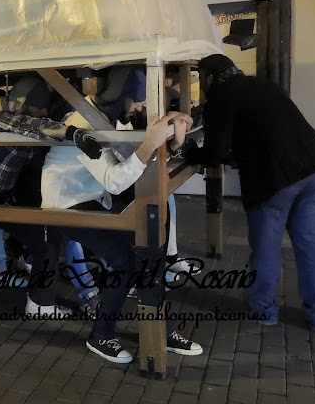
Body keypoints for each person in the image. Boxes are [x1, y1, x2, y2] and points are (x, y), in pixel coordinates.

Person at [41, 65, 203, 363]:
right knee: (125, 260)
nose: (141, 106)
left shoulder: (115, 117)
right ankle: (101, 335)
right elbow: (116, 178)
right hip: (66, 205)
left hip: (95, 198)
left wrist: (175, 143)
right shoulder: (83, 121)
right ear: (120, 95)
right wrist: (153, 143)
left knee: (150, 247)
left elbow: (133, 162)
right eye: (137, 99)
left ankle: (158, 329)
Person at [186, 54, 315, 332]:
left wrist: (188, 152)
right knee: (311, 247)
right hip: (313, 167)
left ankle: (263, 311)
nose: (201, 84)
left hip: (275, 177)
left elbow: (213, 152)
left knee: (266, 250)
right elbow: (261, 129)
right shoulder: (261, 85)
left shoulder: (221, 98)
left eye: (200, 78)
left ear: (209, 77)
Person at [0, 75, 101, 352]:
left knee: (47, 239)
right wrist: (71, 133)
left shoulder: (27, 124)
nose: (42, 115)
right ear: (22, 105)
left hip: (2, 199)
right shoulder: (0, 118)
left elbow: (39, 131)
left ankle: (40, 303)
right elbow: (32, 126)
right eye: (37, 109)